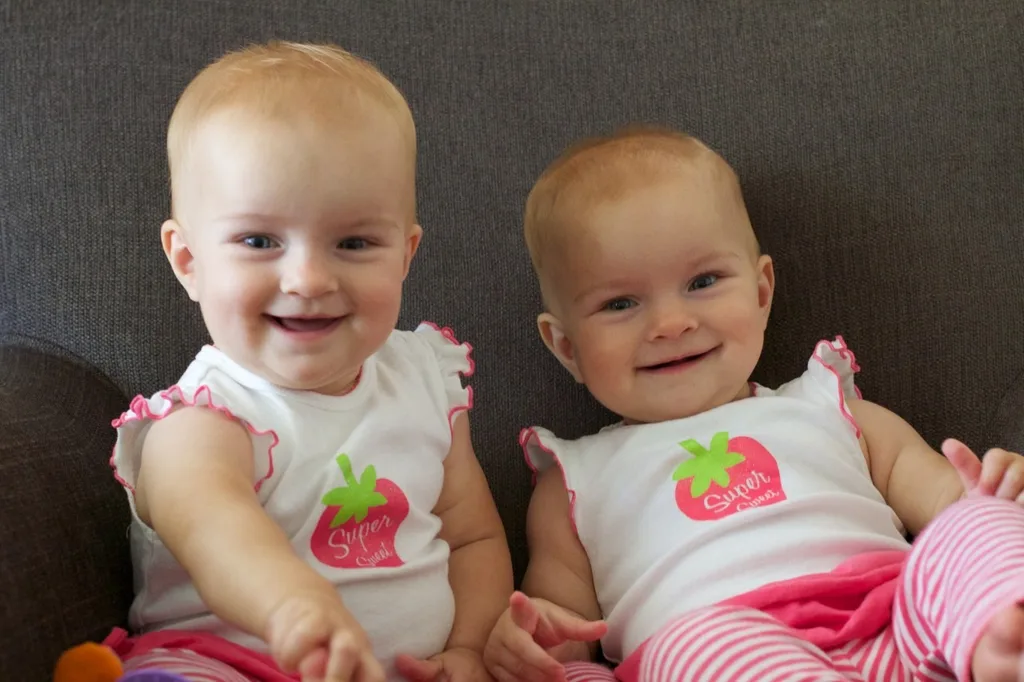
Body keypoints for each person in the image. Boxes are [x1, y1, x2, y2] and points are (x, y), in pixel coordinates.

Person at [482, 126, 1024, 682]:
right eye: (620, 303)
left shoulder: (828, 407)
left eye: (702, 281)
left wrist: (992, 499)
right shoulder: (575, 482)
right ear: (567, 347)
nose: (672, 324)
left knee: (980, 523)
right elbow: (569, 627)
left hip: (902, 627)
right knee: (685, 645)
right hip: (723, 650)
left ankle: (1002, 643)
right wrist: (537, 640)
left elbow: (940, 495)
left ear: (761, 292)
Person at [105, 41, 512, 682]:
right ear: (188, 261)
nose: (309, 278)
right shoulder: (202, 421)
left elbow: (473, 539)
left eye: (353, 242)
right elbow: (215, 530)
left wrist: (470, 649)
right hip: (231, 663)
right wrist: (296, 608)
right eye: (259, 240)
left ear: (404, 255)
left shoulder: (425, 384)